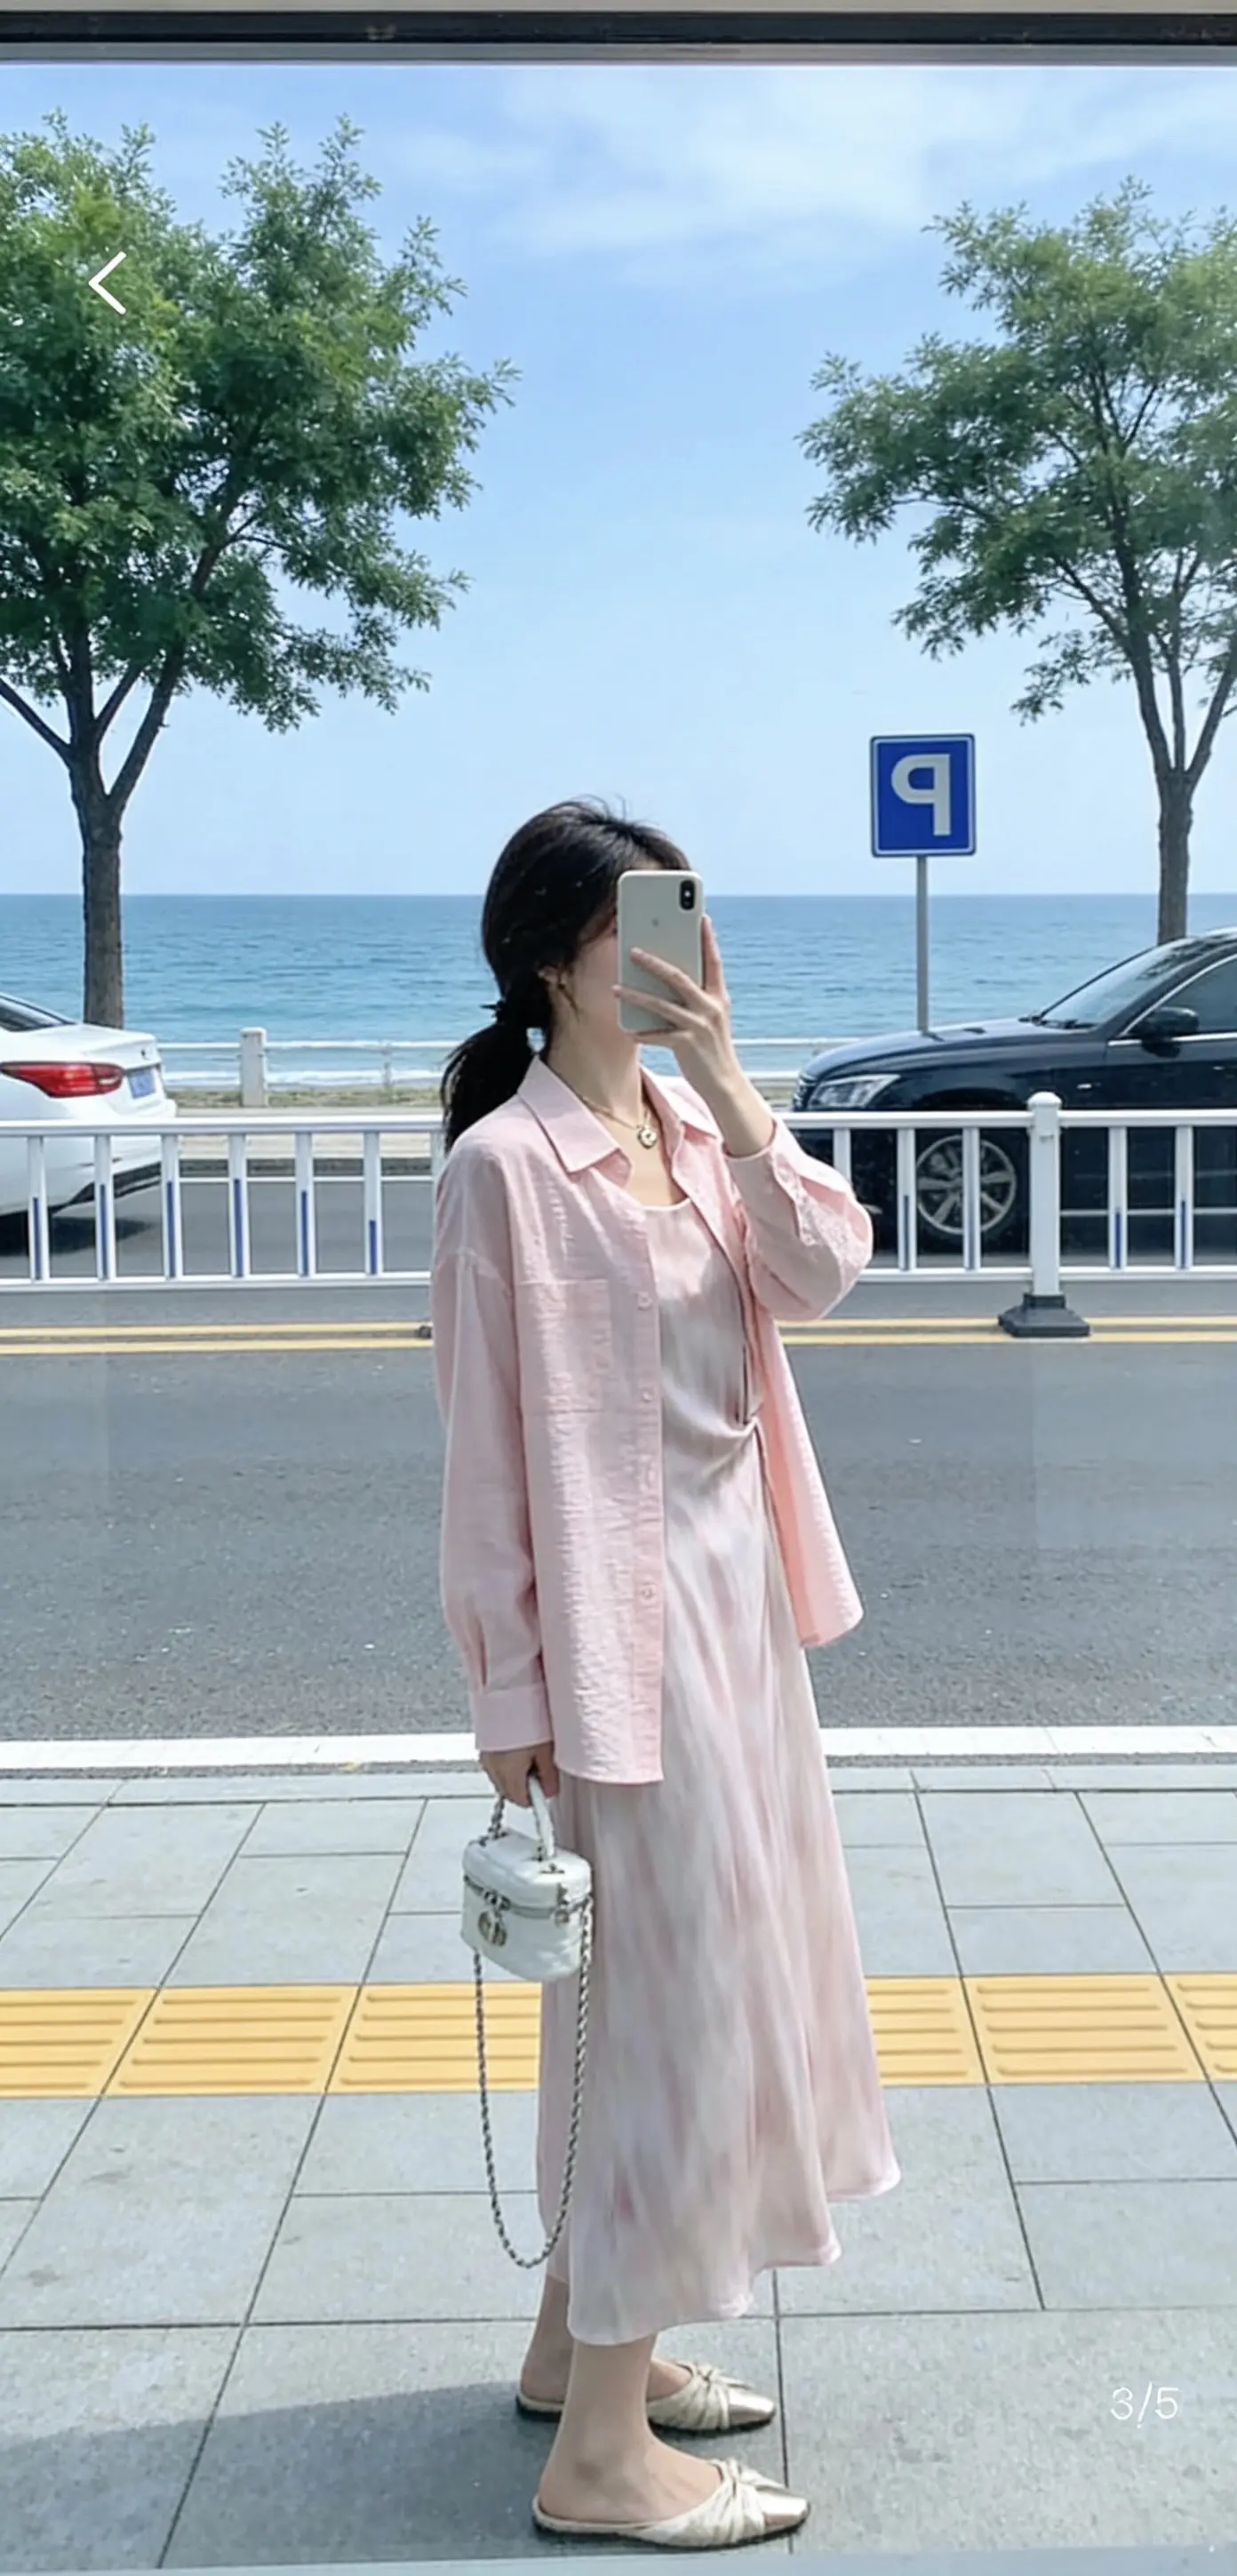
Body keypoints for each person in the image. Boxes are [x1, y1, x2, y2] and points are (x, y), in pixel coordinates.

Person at [431, 796, 900, 2549]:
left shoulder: (695, 1129)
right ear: (558, 956)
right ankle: (603, 2461)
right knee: (659, 2020)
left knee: (686, 1988)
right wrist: (510, 1700)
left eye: (687, 916)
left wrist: (733, 1076)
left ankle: (577, 2355)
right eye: (641, 921)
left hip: (737, 1618)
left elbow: (829, 1269)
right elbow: (482, 1466)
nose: (682, 948)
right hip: (619, 1646)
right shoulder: (504, 1171)